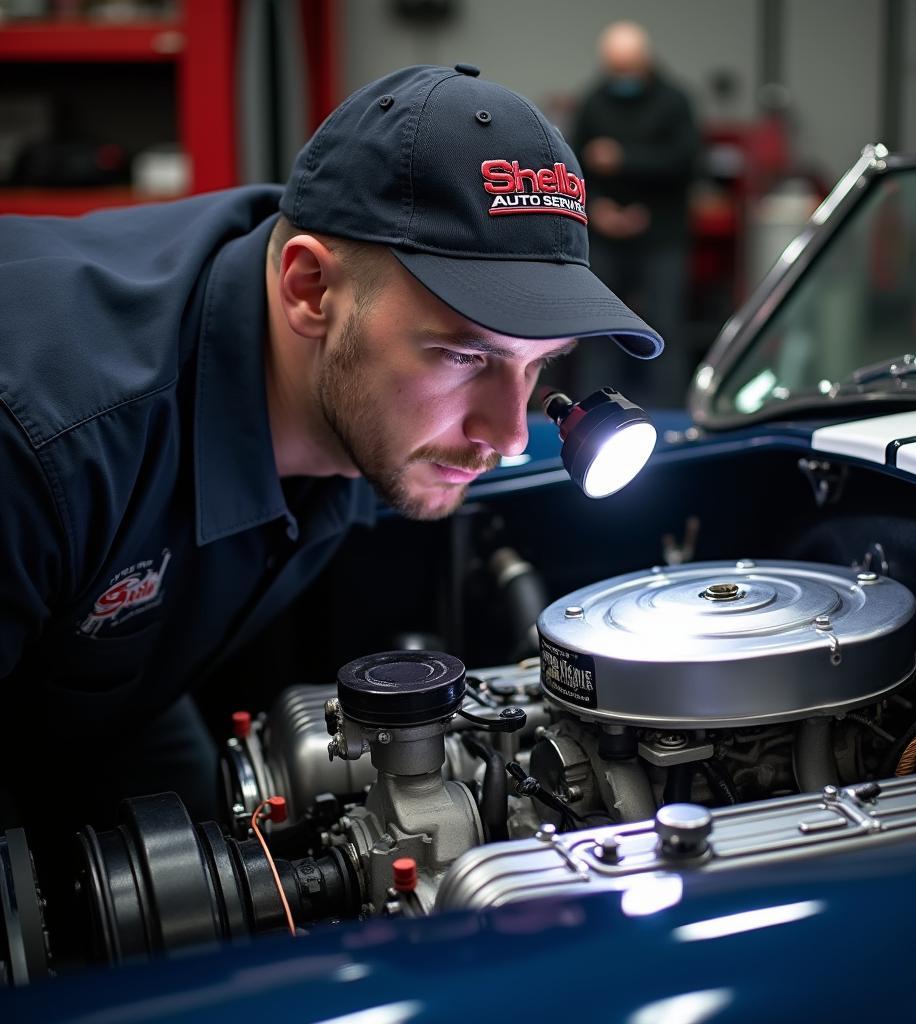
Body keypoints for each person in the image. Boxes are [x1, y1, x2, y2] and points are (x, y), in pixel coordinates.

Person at [0, 64, 662, 834]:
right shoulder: (43, 445)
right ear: (310, 288)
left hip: (109, 690)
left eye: (539, 363)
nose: (508, 435)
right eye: (463, 356)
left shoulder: (352, 379)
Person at [571, 21, 699, 406]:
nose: (622, 77)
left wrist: (624, 159)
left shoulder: (675, 101)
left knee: (665, 330)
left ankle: (672, 419)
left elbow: (688, 163)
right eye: (616, 69)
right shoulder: (593, 101)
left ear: (645, 61)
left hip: (661, 235)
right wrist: (596, 208)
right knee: (599, 331)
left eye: (628, 68)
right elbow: (573, 165)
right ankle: (593, 412)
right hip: (606, 235)